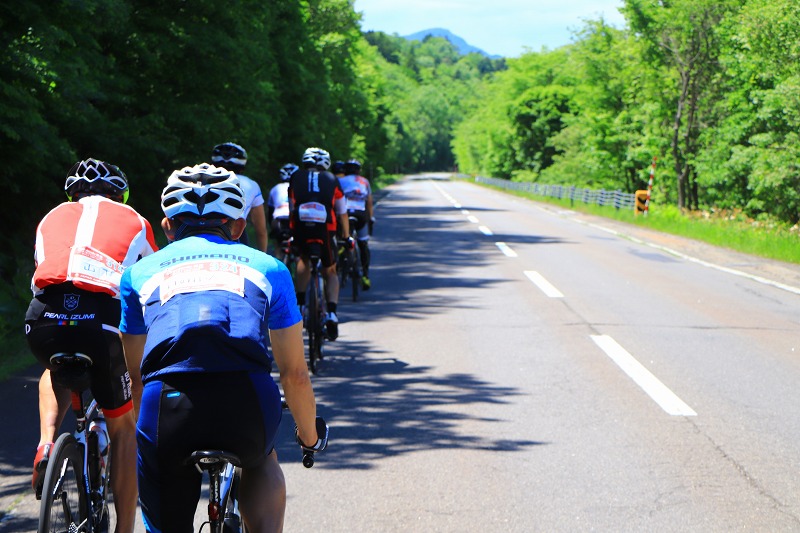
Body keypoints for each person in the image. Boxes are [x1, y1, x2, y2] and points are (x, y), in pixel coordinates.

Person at [119, 163, 325, 533]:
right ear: (239, 227)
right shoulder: (270, 268)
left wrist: (148, 436)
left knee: (161, 475)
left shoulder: (137, 274)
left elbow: (136, 376)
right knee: (261, 460)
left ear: (167, 228)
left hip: (167, 405)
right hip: (245, 401)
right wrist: (309, 438)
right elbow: (294, 374)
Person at [25, 158, 158, 533]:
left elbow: (40, 274)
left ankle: (47, 443)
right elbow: (153, 283)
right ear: (120, 194)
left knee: (53, 368)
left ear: (72, 194)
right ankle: (125, 528)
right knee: (123, 430)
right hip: (100, 321)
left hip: (43, 318)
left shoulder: (49, 218)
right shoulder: (134, 219)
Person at [288, 147, 351, 340]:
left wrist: (293, 233)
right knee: (331, 270)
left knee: (303, 260)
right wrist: (347, 236)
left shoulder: (295, 177)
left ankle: (300, 305)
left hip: (301, 228)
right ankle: (332, 313)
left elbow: (291, 208)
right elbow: (342, 212)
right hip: (326, 230)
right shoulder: (332, 179)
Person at [211, 142, 268, 253]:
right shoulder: (252, 185)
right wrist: (263, 255)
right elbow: (261, 230)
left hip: (200, 230)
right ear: (242, 167)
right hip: (233, 232)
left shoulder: (201, 179)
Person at [338, 158, 375, 290]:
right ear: (359, 171)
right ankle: (365, 275)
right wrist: (371, 218)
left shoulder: (340, 181)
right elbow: (369, 202)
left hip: (345, 213)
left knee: (341, 238)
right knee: (363, 243)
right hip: (361, 214)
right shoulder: (364, 181)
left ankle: (340, 260)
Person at [267, 163, 297, 261]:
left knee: (278, 247)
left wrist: (271, 227)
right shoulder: (299, 187)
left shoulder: (275, 188)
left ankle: (278, 261)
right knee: (300, 251)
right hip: (294, 220)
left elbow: (270, 212)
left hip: (278, 220)